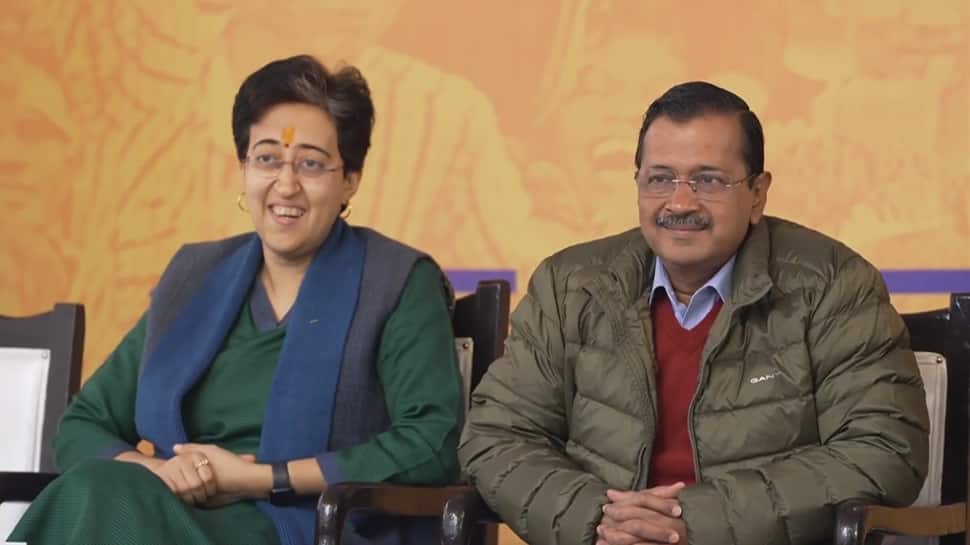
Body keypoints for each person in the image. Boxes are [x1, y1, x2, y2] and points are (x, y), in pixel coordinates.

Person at [10, 55, 462, 545]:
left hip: (306, 527)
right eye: (266, 159)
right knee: (103, 488)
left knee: (108, 501)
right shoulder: (194, 278)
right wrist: (159, 472)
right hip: (163, 511)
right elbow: (83, 424)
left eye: (311, 163)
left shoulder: (395, 282)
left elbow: (430, 443)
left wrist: (260, 479)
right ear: (243, 167)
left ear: (349, 179)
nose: (285, 185)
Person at [459, 81, 929, 545]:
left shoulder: (833, 284)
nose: (680, 203)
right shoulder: (569, 285)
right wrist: (601, 521)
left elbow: (883, 451)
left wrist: (694, 524)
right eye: (660, 178)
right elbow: (497, 436)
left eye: (709, 180)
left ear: (758, 194)